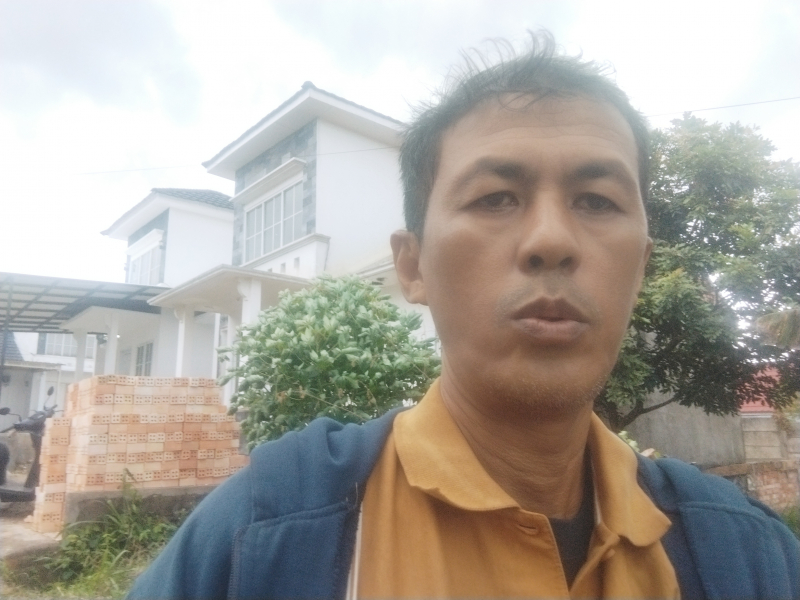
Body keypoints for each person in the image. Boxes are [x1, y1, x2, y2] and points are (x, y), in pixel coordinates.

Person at [127, 32, 800, 600]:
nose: (551, 240)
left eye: (597, 200)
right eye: (496, 197)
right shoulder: (265, 536)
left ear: (642, 266)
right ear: (413, 266)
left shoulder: (746, 556)